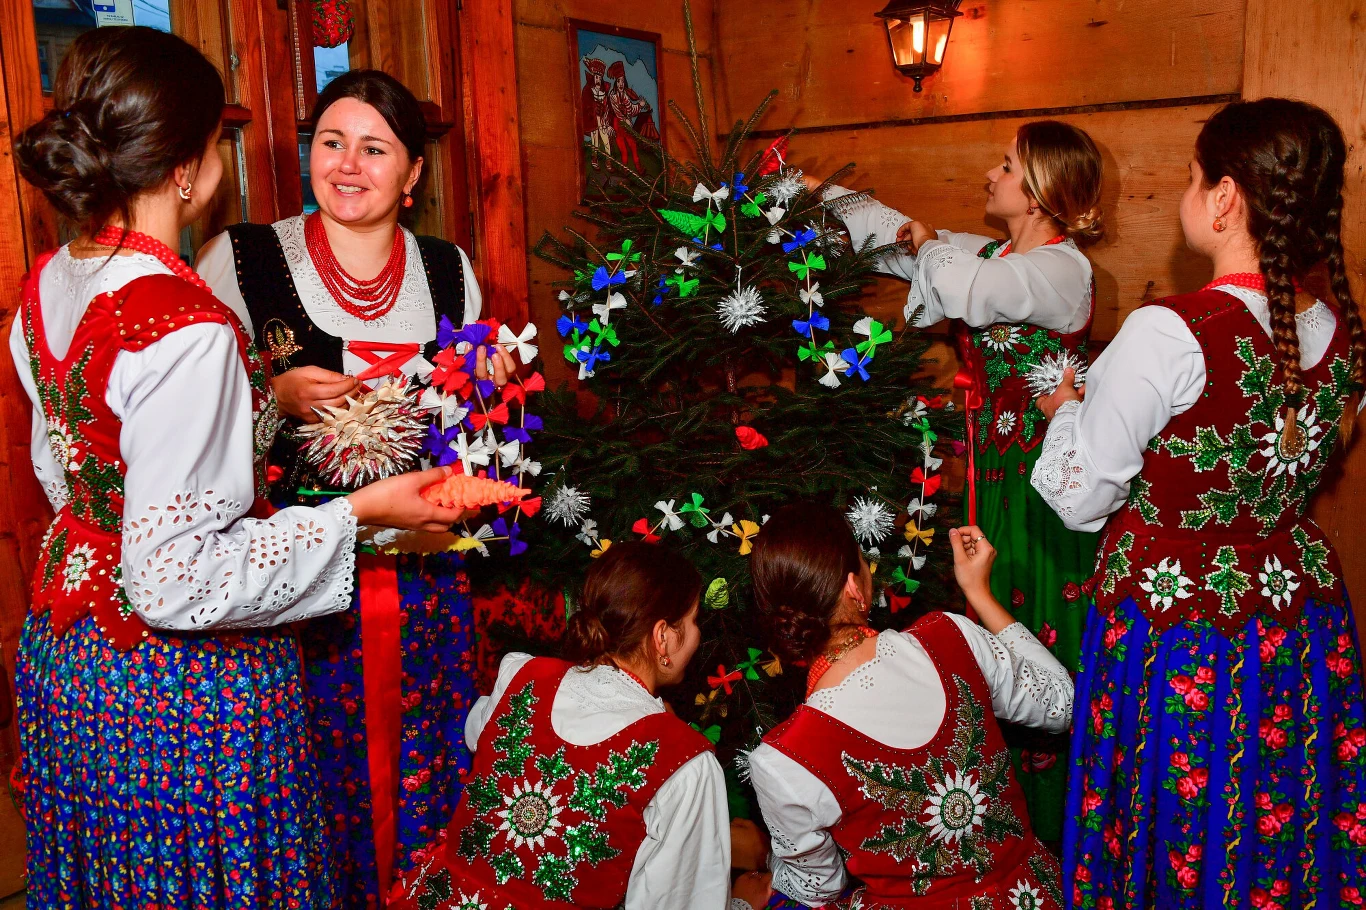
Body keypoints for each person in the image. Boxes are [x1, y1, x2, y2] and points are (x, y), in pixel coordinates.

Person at [9, 27, 467, 909]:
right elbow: (175, 579)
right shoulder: (183, 319)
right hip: (178, 690)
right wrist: (358, 514)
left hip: (70, 654)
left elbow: (71, 474)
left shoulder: (50, 282)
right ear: (187, 165)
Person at [1032, 98, 1366, 907]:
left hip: (1175, 626)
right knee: (1278, 799)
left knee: (1172, 807)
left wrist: (1067, 414)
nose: (1184, 195)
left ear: (1224, 199)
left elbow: (1079, 499)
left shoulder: (1167, 332)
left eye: (1189, 178)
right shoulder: (1340, 331)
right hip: (1297, 611)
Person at [197, 69, 516, 908]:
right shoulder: (241, 259)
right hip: (295, 586)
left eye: (374, 148)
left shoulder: (449, 273)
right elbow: (184, 432)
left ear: (413, 175)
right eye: (330, 143)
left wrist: (493, 386)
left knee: (427, 763)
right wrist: (271, 396)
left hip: (426, 578)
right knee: (310, 775)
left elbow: (478, 434)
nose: (346, 164)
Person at [816, 122, 1103, 839]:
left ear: (1038, 191)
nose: (990, 174)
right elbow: (901, 239)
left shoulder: (1064, 270)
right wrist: (814, 196)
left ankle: (1058, 836)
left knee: (1040, 631)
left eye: (1005, 166)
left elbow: (962, 281)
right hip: (994, 479)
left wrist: (926, 243)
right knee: (991, 635)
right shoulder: (999, 253)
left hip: (1044, 487)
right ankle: (1001, 826)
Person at [387, 542, 775, 910]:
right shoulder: (687, 765)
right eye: (692, 621)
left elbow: (480, 731)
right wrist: (739, 901)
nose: (698, 634)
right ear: (662, 637)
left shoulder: (523, 675)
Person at [745, 504, 1072, 908]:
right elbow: (1061, 704)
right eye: (865, 564)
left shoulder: (781, 761)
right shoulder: (951, 637)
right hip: (1033, 896)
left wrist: (763, 867)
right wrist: (979, 593)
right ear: (853, 587)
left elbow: (821, 886)